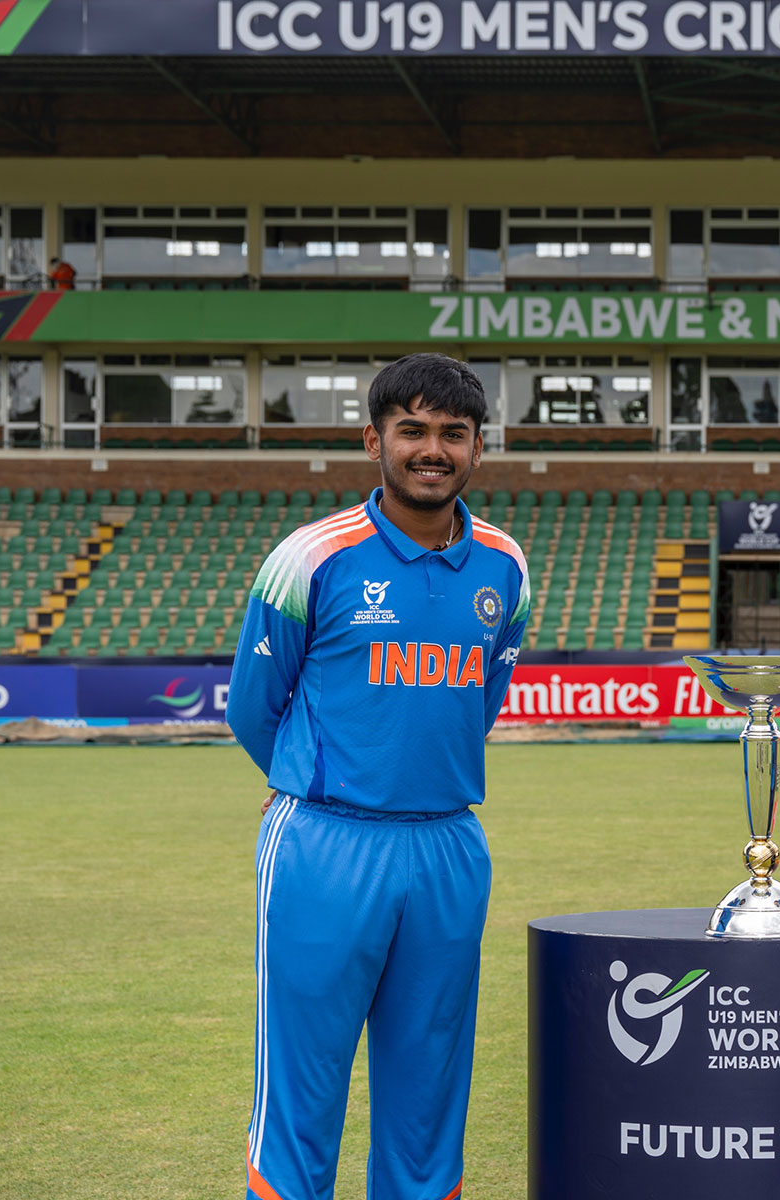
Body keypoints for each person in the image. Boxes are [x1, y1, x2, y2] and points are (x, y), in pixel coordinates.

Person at [226, 352, 530, 1200]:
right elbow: (254, 708)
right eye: (412, 431)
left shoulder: (505, 566)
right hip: (326, 845)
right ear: (374, 441)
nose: (433, 450)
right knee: (303, 1092)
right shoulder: (310, 557)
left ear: (477, 447)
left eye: (453, 434)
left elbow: (479, 703)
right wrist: (308, 780)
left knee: (430, 1094)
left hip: (447, 846)